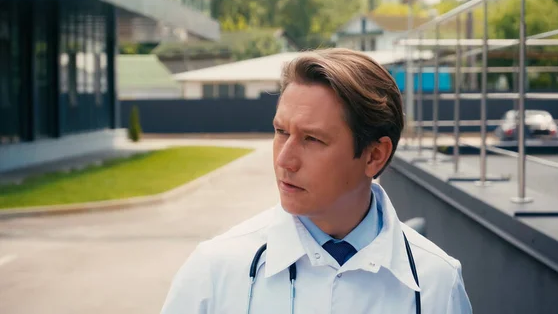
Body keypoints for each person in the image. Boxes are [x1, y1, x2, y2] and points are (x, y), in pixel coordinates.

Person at [160, 48, 472, 314]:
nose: (284, 160)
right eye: (281, 132)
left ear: (374, 155)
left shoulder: (437, 284)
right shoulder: (214, 271)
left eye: (312, 139)